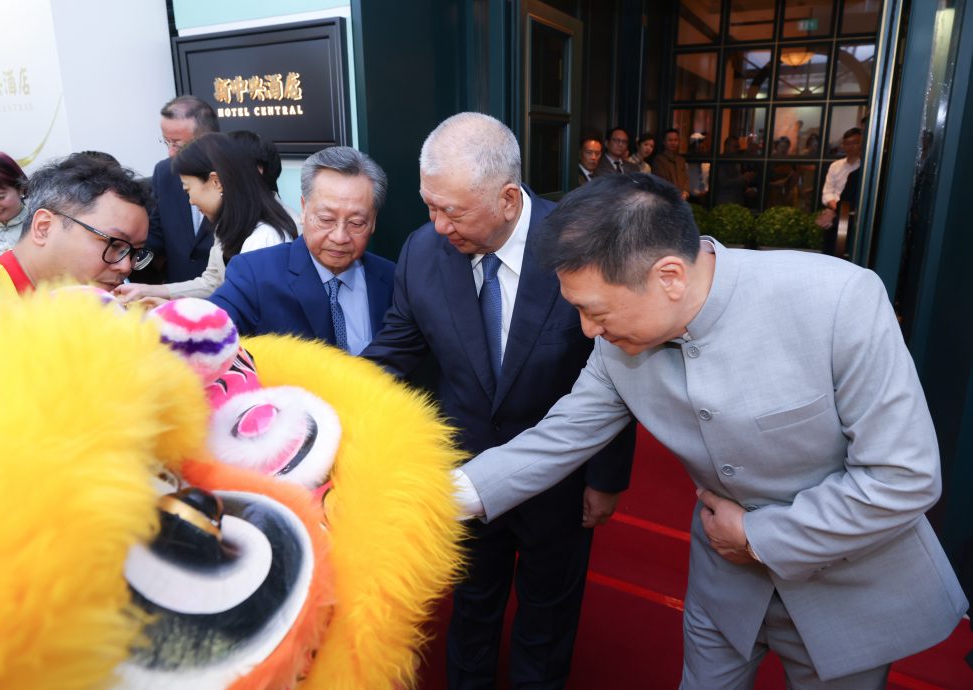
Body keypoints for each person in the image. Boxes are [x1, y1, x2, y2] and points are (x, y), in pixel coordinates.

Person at [453, 173, 968, 689]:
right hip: (723, 584)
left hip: (846, 587)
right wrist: (437, 499)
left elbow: (903, 477)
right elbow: (558, 437)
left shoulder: (838, 300)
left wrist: (755, 535)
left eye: (595, 310)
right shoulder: (617, 347)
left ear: (670, 276)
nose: (588, 329)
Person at [361, 112, 635, 690]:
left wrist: (606, 478)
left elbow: (619, 367)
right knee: (472, 612)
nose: (437, 226)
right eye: (429, 205)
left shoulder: (582, 245)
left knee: (547, 620)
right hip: (462, 476)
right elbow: (393, 350)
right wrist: (311, 393)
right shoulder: (421, 253)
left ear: (509, 199)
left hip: (560, 480)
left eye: (452, 211)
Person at [209, 146, 394, 354]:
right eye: (326, 219)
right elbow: (206, 335)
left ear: (374, 221)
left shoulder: (392, 280)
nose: (340, 237)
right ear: (304, 209)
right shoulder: (255, 274)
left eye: (357, 223)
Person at [0, 154, 151, 307]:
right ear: (43, 227)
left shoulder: (93, 311)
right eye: (113, 244)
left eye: (134, 252)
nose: (125, 266)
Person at [114, 133, 295, 303]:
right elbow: (213, 282)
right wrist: (146, 291)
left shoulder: (265, 238)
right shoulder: (228, 225)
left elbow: (247, 308)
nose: (191, 201)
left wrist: (173, 309)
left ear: (215, 181)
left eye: (188, 190)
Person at [146, 95, 220, 283]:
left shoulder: (237, 172)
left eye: (178, 144)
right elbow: (157, 233)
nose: (170, 152)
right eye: (166, 142)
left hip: (224, 291)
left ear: (206, 139)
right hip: (177, 292)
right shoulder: (164, 172)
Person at [227, 129, 302, 232]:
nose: (218, 175)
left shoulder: (269, 232)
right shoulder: (234, 218)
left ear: (257, 169)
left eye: (225, 164)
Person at [822, 127, 862, 212]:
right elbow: (827, 193)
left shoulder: (864, 168)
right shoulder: (835, 165)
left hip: (854, 211)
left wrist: (842, 211)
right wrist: (838, 210)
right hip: (834, 208)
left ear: (862, 144)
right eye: (847, 143)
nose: (850, 146)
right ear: (843, 145)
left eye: (855, 143)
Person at [651, 128, 689, 199]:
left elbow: (686, 178)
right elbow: (660, 181)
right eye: (670, 140)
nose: (673, 143)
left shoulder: (681, 160)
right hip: (666, 199)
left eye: (675, 140)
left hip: (682, 199)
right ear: (664, 142)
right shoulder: (658, 160)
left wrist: (685, 193)